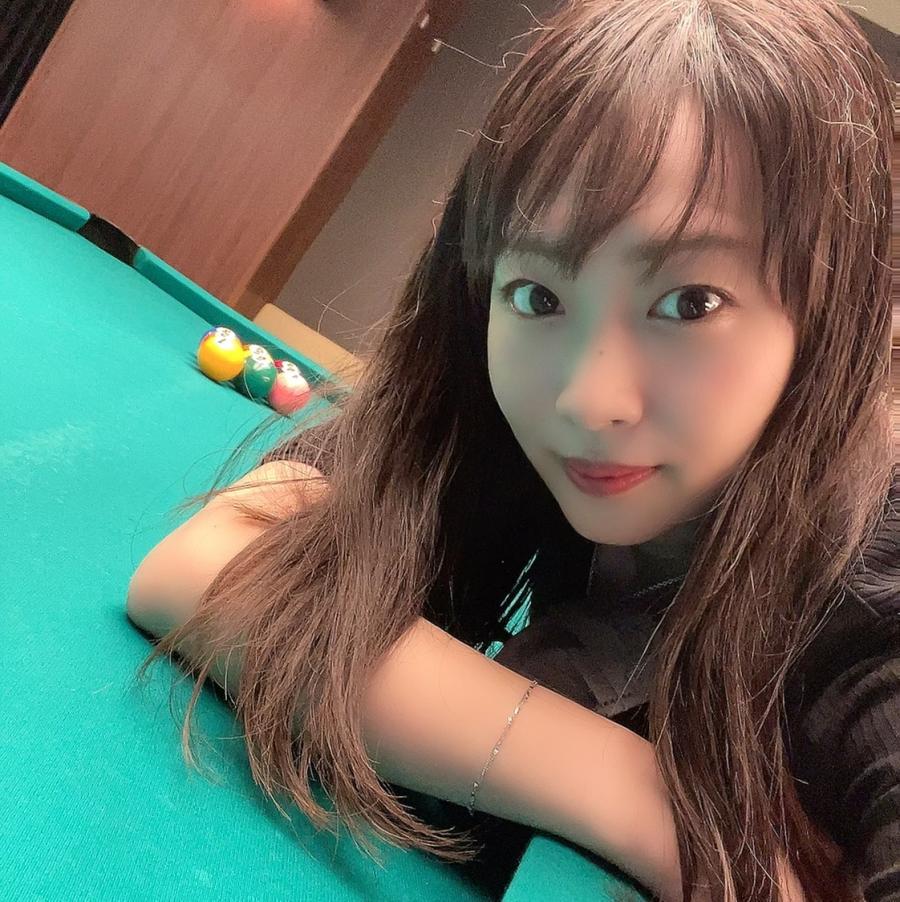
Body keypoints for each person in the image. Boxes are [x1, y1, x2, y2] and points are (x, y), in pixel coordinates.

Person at [126, 1, 897, 899]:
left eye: (691, 302)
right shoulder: (488, 403)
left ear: (833, 316)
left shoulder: (874, 596)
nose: (587, 398)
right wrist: (650, 801)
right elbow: (198, 566)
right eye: (538, 295)